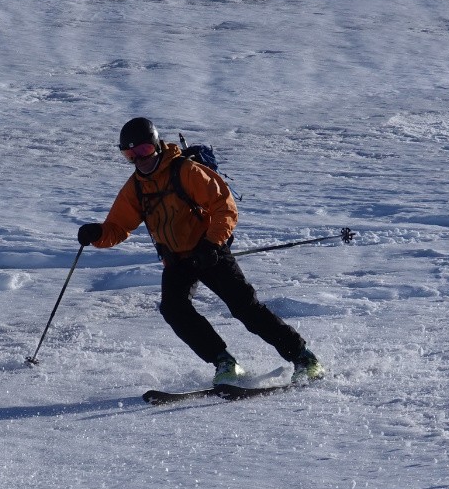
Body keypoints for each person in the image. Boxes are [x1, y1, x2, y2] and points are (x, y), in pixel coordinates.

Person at [77, 117, 325, 386]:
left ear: (157, 145)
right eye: (130, 155)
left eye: (144, 151)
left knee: (245, 309)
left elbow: (224, 206)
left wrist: (212, 244)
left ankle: (304, 357)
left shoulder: (186, 171)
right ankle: (224, 362)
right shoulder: (136, 187)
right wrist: (98, 235)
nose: (139, 160)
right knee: (173, 309)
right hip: (176, 260)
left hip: (210, 252)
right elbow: (118, 226)